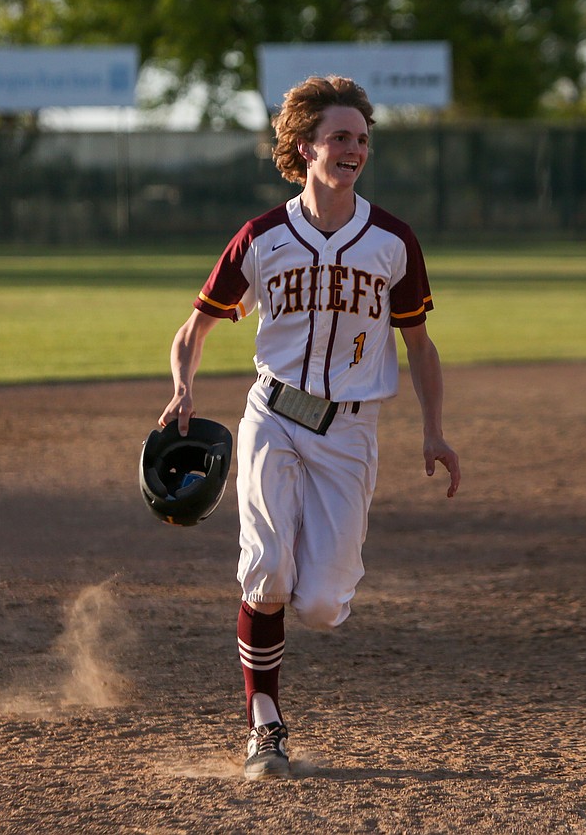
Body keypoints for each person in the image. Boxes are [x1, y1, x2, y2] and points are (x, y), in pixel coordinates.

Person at [159, 75, 461, 779]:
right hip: (275, 415)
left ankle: (282, 601)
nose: (354, 149)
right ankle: (264, 724)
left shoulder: (392, 241)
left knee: (322, 605)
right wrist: (183, 384)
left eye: (362, 138)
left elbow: (418, 344)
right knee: (266, 575)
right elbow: (195, 325)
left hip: (351, 432)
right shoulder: (263, 237)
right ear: (306, 146)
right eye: (340, 137)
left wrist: (435, 430)